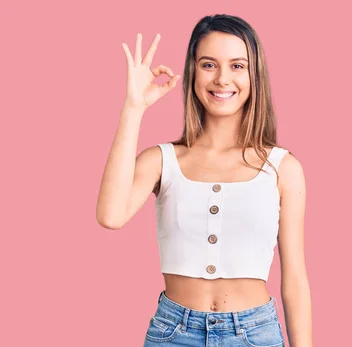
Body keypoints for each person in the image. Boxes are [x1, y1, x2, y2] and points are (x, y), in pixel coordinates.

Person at [96, 14, 313, 347]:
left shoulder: (283, 168)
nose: (222, 78)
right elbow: (110, 216)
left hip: (255, 334)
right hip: (172, 333)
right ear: (193, 71)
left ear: (255, 75)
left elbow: (295, 278)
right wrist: (133, 108)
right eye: (209, 64)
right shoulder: (161, 160)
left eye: (237, 66)